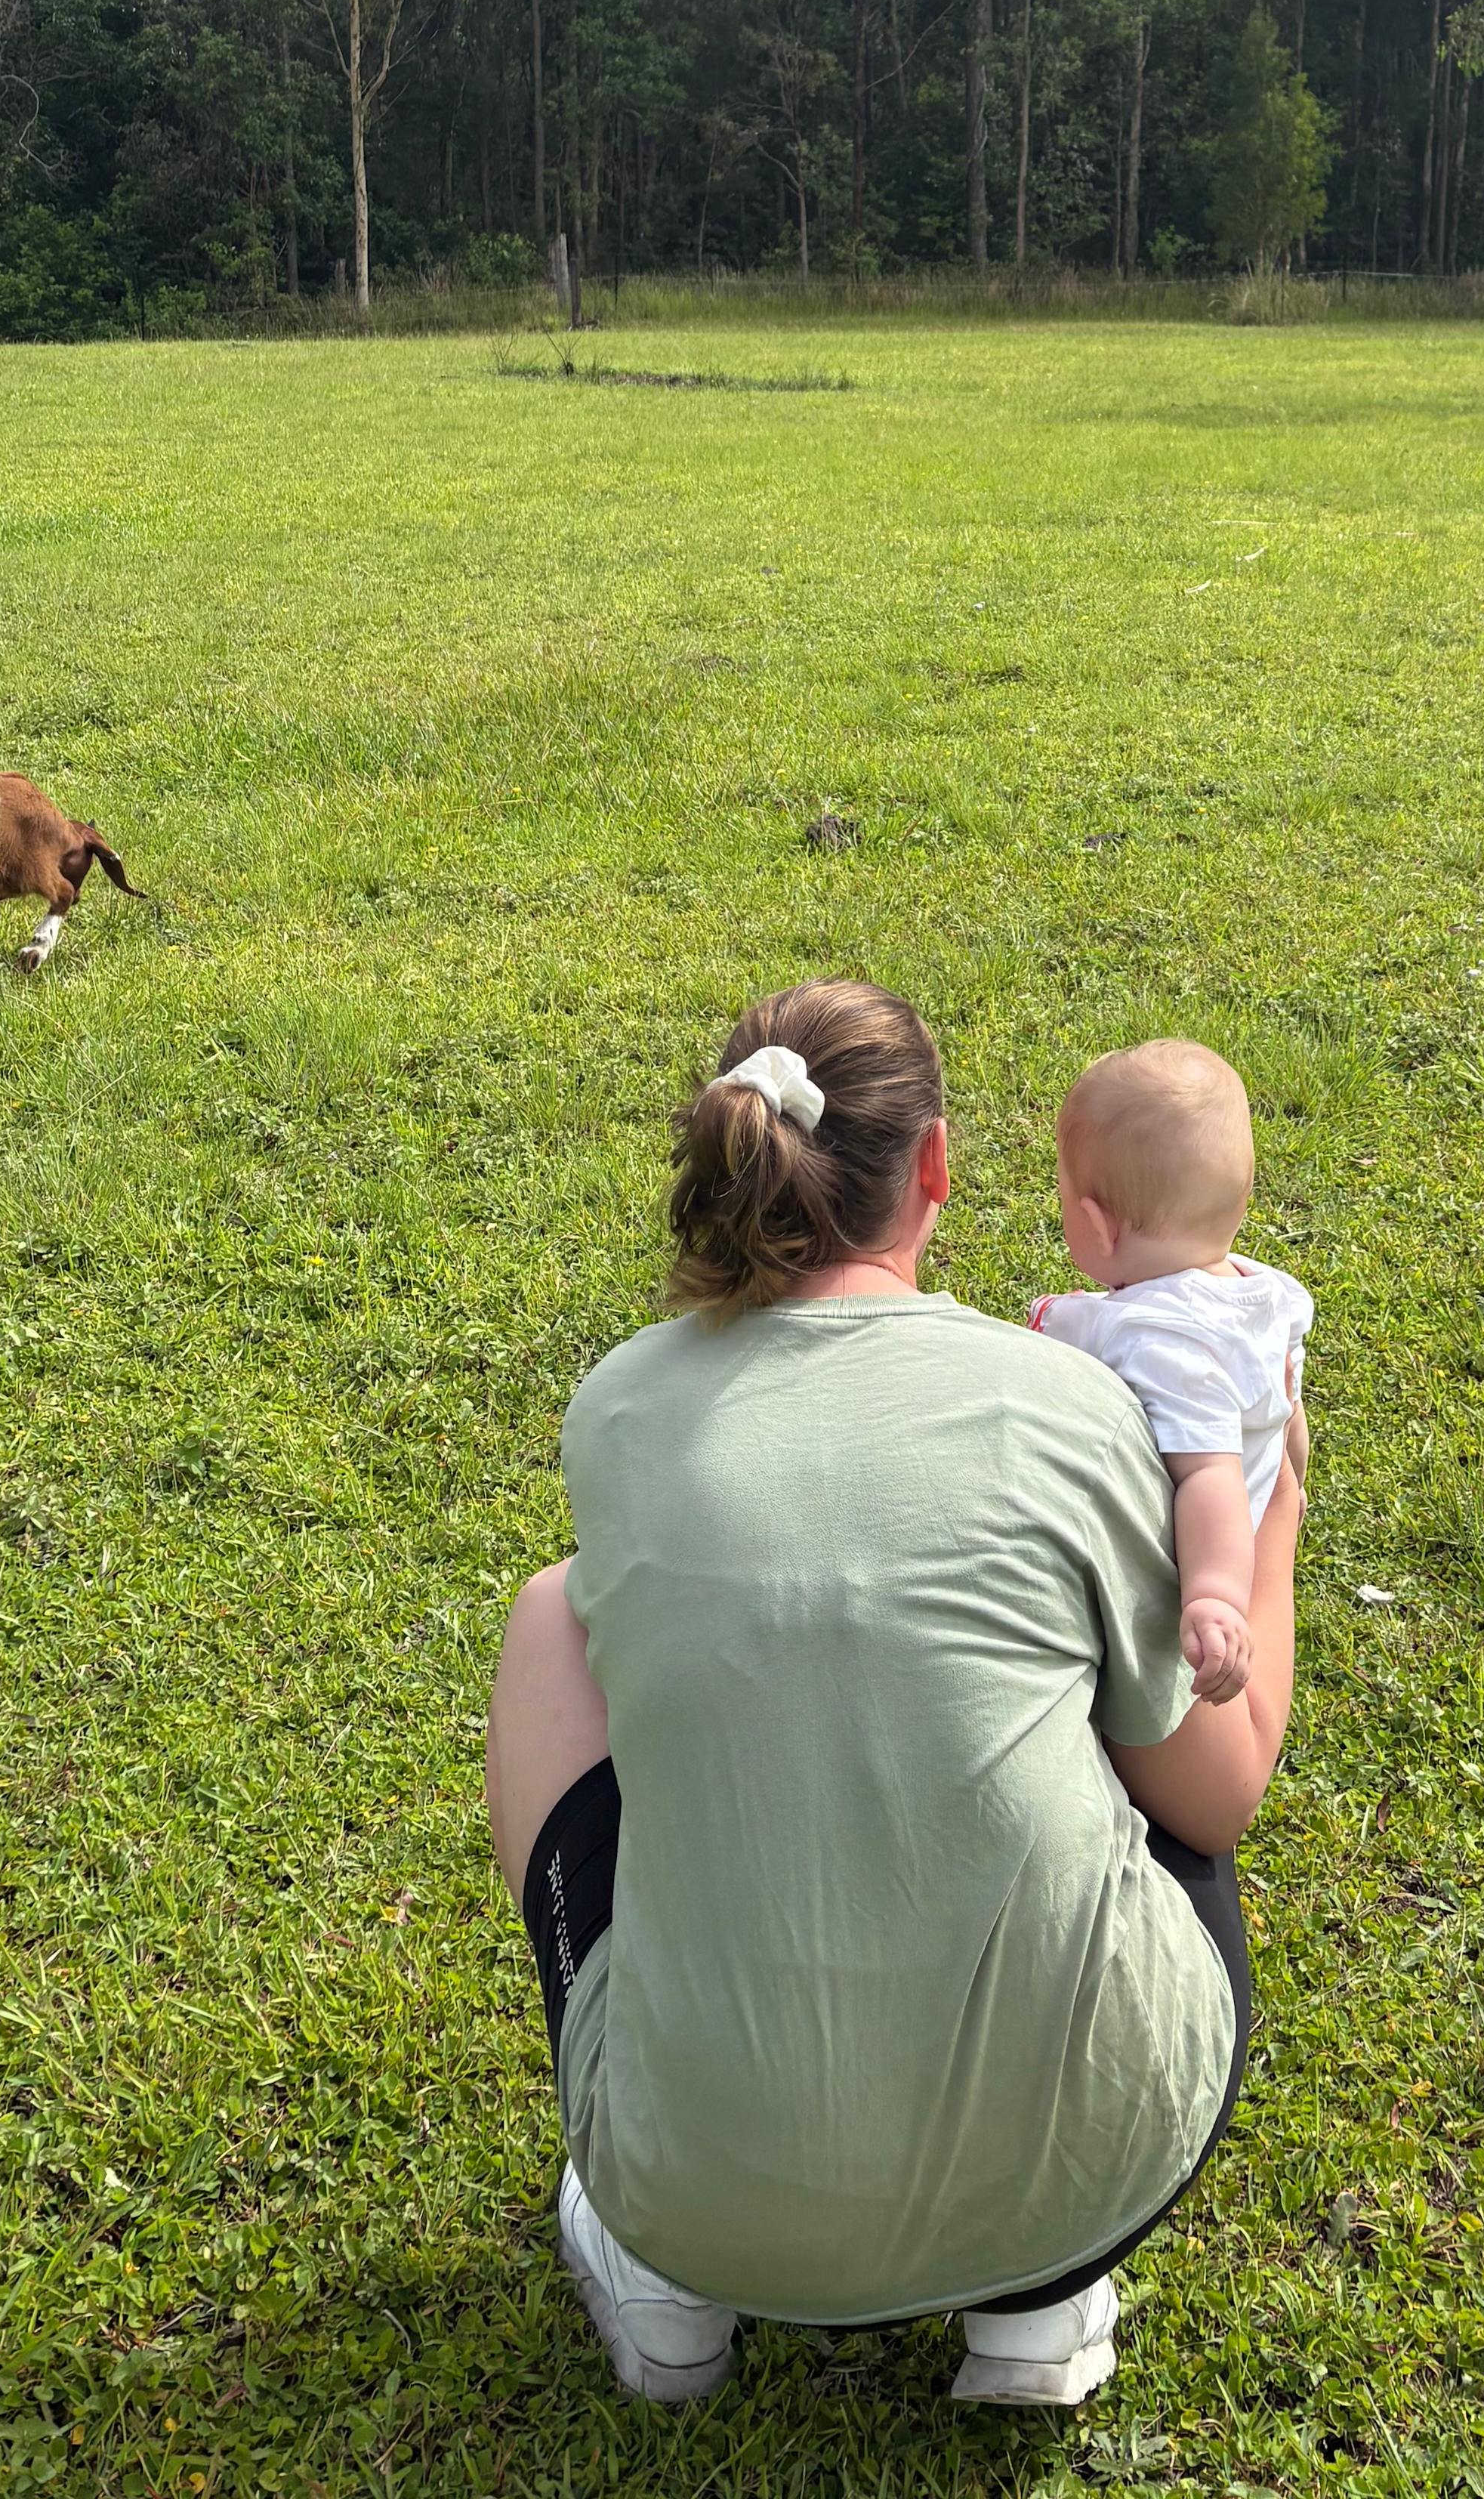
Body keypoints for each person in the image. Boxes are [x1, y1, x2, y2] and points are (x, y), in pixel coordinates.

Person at [482, 978, 1306, 2411]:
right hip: (1087, 2170)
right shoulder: (1073, 1406)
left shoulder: (619, 1406)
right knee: (1126, 1700)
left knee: (558, 1614)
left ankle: (668, 2281)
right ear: (933, 1169)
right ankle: (1040, 2300)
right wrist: (1274, 1501)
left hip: (694, 2189)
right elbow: (1219, 1793)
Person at [1029, 1041, 1314, 1708]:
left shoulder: (1155, 1341)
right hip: (1256, 1512)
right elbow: (1287, 1402)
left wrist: (1214, 1595)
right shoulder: (1268, 1291)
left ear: (1096, 1227)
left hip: (1189, 1555)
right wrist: (1289, 1485)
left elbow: (1210, 1473)